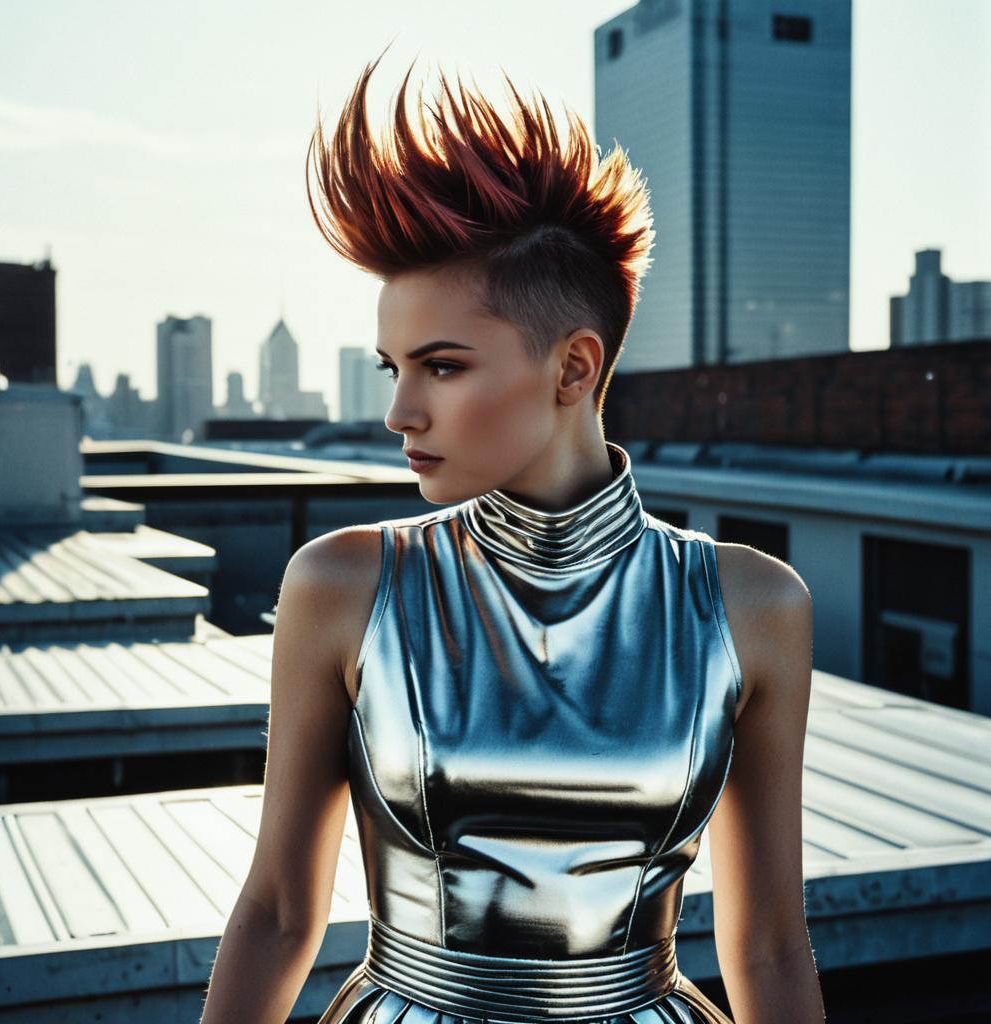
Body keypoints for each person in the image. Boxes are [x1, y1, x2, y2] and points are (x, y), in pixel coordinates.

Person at [199, 48, 825, 1024]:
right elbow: (280, 909)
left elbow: (771, 946)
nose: (400, 410)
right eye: (390, 367)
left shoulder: (751, 606)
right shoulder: (344, 584)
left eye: (441, 367)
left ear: (573, 368)